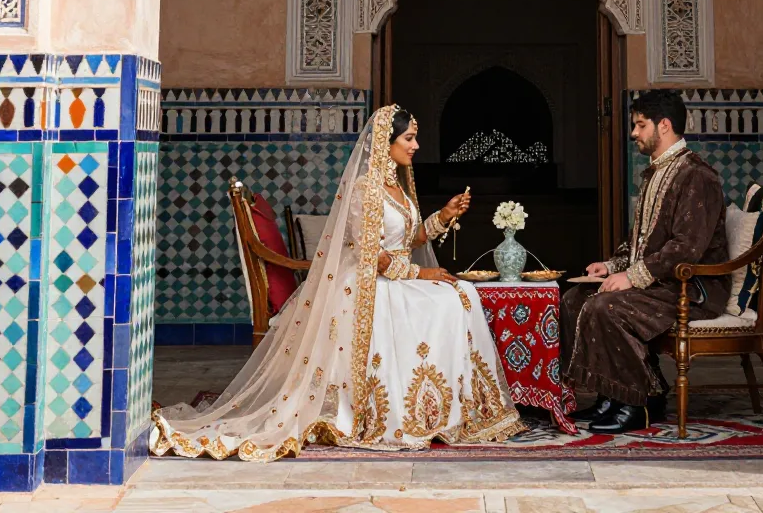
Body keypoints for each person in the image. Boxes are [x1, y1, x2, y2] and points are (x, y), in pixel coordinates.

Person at [150, 104, 521, 459]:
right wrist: (420, 274)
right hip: (371, 284)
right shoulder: (365, 189)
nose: (416, 146)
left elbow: (409, 241)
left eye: (414, 138)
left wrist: (443, 215)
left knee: (461, 293)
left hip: (394, 279)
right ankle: (412, 411)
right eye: (408, 138)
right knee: (451, 297)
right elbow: (369, 255)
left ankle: (452, 408)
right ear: (385, 142)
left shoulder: (398, 189)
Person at [559, 90, 729, 433]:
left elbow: (686, 249)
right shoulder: (655, 173)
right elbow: (642, 242)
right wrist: (611, 266)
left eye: (640, 125)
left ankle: (638, 401)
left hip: (692, 288)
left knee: (605, 307)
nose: (634, 133)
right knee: (576, 299)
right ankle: (613, 394)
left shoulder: (697, 176)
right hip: (664, 284)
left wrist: (633, 277)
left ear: (664, 125)